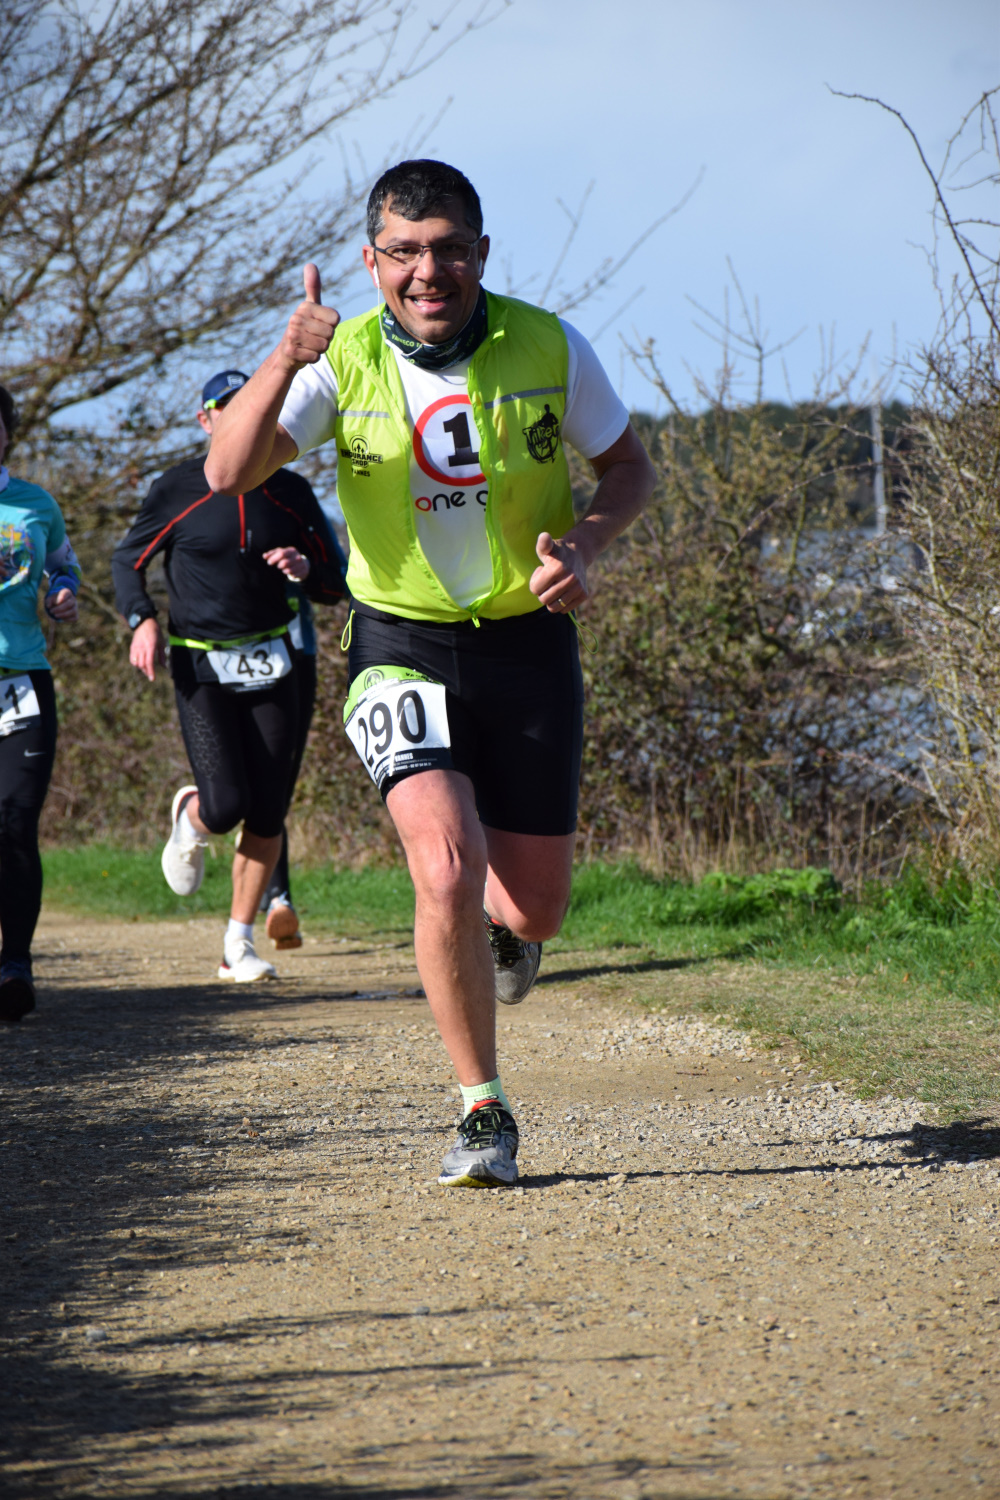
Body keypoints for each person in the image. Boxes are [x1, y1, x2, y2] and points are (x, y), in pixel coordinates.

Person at [205, 160, 656, 1183]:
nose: (428, 271)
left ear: (481, 254)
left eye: (449, 248)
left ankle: (506, 934)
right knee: (444, 864)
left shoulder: (548, 343)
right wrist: (283, 357)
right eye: (404, 252)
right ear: (371, 263)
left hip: (527, 640)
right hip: (398, 642)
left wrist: (585, 545)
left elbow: (629, 469)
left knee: (535, 909)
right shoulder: (340, 357)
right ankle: (481, 1109)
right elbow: (227, 470)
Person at [112, 370, 345, 982]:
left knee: (268, 811)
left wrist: (305, 568)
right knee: (226, 805)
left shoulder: (290, 490)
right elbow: (127, 560)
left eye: (252, 403)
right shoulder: (177, 488)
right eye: (227, 406)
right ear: (205, 419)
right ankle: (192, 816)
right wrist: (141, 619)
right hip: (201, 663)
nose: (241, 414)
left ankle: (237, 945)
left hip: (276, 660)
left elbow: (336, 581)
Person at [0, 383, 81, 1023]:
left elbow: (64, 567)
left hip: (23, 679)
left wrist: (62, 593)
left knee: (16, 823)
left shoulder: (36, 503)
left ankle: (15, 967)